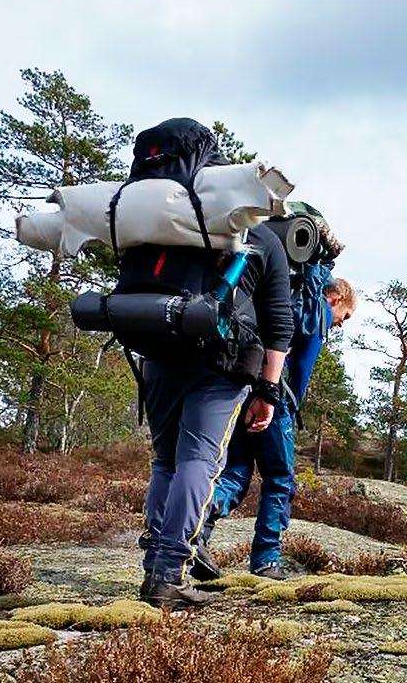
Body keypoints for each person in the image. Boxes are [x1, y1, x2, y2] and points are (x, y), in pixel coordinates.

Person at [139, 221, 294, 608]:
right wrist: (267, 391)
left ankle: (151, 568)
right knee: (198, 462)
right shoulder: (264, 239)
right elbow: (279, 325)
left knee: (165, 462)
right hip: (218, 361)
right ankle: (169, 576)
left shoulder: (172, 218)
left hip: (157, 351)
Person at [199, 277, 357, 579]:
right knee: (280, 480)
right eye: (345, 316)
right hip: (275, 397)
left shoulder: (283, 299)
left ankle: (195, 528)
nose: (341, 324)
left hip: (245, 385)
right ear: (336, 298)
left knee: (234, 472)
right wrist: (291, 403)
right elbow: (301, 369)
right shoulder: (317, 311)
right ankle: (266, 561)